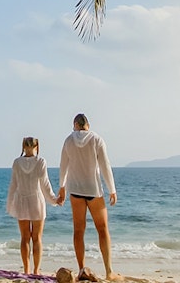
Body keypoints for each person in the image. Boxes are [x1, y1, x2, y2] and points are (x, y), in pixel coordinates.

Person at [57, 113, 118, 281]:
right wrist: (112, 189)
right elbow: (105, 165)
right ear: (87, 125)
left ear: (75, 124)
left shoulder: (69, 140)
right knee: (103, 229)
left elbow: (63, 165)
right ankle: (109, 271)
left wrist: (62, 187)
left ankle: (81, 269)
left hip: (75, 190)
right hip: (93, 190)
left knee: (78, 230)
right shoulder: (97, 139)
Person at [6, 136, 60, 274]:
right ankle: (36, 270)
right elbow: (45, 185)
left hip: (21, 200)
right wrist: (54, 199)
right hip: (36, 200)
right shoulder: (40, 161)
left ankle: (26, 269)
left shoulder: (17, 162)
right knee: (37, 238)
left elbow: (13, 185)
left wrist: (10, 203)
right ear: (36, 147)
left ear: (23, 146)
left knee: (24, 238)